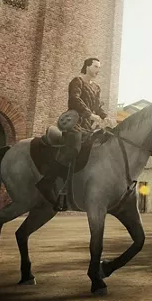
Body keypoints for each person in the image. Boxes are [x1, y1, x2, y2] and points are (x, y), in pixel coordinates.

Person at [36, 57, 115, 210]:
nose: (98, 70)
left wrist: (107, 117)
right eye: (95, 66)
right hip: (73, 123)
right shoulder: (77, 81)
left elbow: (98, 107)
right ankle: (47, 182)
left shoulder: (96, 88)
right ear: (87, 67)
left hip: (87, 126)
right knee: (74, 148)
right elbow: (75, 100)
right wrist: (90, 115)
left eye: (99, 67)